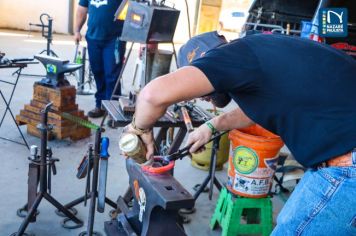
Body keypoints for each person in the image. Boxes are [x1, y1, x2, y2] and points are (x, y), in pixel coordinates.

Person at [122, 33, 356, 235]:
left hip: (346, 167)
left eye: (201, 91)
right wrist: (212, 126)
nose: (202, 98)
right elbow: (261, 108)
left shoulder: (230, 56)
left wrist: (138, 129)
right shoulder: (259, 54)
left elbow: (152, 95)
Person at [74, 0, 126, 118]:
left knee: (112, 75)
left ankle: (113, 110)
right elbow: (82, 10)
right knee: (97, 72)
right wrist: (77, 30)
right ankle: (100, 105)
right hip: (93, 37)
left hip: (114, 39)